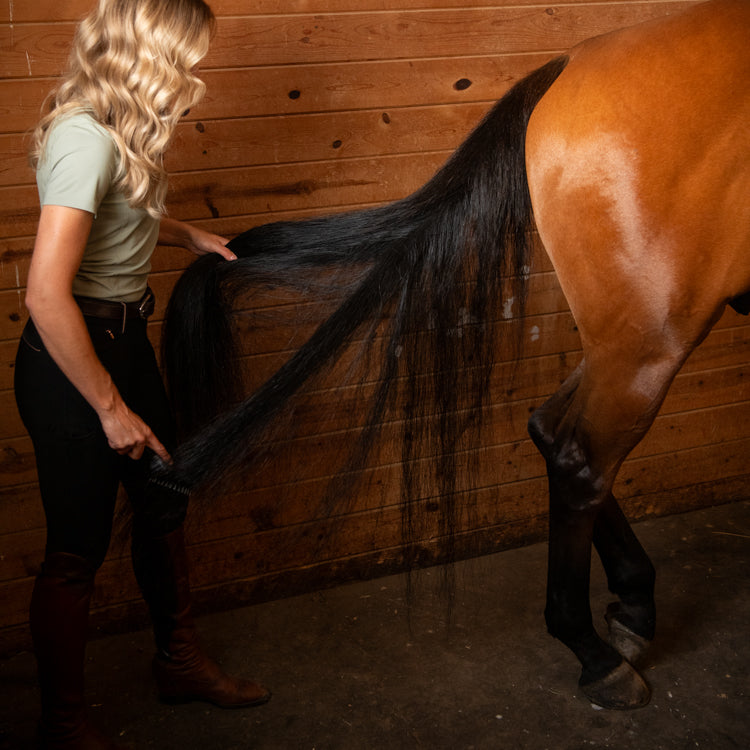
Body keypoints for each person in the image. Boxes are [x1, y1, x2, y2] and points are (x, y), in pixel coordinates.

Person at [14, 1, 270, 747]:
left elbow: (120, 212)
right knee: (76, 550)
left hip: (123, 343)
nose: (195, 73)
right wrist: (109, 409)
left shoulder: (115, 125)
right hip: (70, 365)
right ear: (150, 52)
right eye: (187, 56)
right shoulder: (83, 139)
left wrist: (189, 233)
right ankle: (64, 721)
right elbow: (43, 294)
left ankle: (179, 663)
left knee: (163, 507)